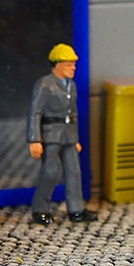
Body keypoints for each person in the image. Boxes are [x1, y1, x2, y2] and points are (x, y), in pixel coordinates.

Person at [27, 44, 97, 226]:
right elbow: (35, 112)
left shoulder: (71, 86)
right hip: (50, 135)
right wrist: (34, 139)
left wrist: (76, 139)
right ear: (57, 65)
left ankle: (76, 209)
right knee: (50, 172)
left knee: (74, 171)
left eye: (73, 64)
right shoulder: (45, 84)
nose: (73, 68)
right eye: (68, 64)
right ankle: (40, 209)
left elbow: (73, 114)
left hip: (68, 136)